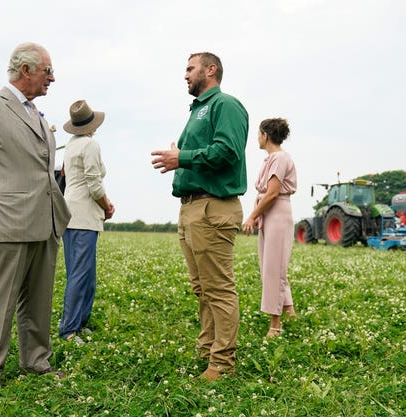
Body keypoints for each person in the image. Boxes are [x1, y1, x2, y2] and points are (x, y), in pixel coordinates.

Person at [0, 42, 71, 393]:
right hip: (7, 223)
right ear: (26, 71)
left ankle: (36, 361)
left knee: (39, 299)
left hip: (45, 222)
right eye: (48, 71)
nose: (52, 78)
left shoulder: (37, 114)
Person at [151, 52, 248, 381]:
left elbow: (227, 151)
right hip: (191, 207)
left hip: (213, 208)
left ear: (211, 69)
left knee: (218, 288)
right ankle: (208, 347)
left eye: (190, 68)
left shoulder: (225, 105)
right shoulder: (197, 111)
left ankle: (222, 364)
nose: (185, 75)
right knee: (202, 287)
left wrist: (182, 158)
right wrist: (182, 160)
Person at [59, 100, 114, 344]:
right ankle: (69, 330)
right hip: (84, 217)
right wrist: (107, 205)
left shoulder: (71, 145)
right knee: (81, 275)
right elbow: (94, 183)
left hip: (70, 214)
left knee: (81, 273)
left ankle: (79, 324)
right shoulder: (90, 144)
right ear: (91, 125)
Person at [242, 118, 297, 337]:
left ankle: (275, 325)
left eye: (258, 134)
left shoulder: (280, 158)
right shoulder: (273, 158)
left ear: (265, 135)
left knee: (274, 268)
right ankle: (289, 310)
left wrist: (252, 216)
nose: (256, 138)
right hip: (270, 213)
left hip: (277, 213)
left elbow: (273, 192)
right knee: (270, 266)